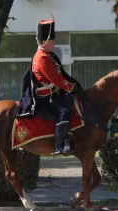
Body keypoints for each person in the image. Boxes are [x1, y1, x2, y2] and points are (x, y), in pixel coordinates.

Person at [32, 17, 84, 156]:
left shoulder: (48, 55)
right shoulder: (42, 57)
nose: (54, 43)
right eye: (52, 40)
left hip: (54, 93)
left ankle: (69, 139)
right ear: (44, 41)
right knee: (64, 111)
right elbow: (56, 79)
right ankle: (58, 146)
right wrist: (72, 87)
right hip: (46, 96)